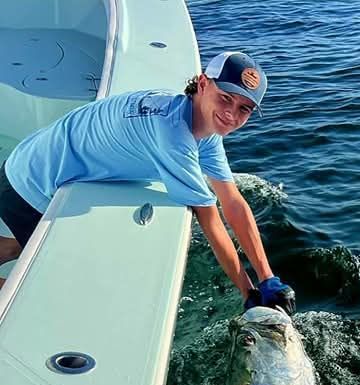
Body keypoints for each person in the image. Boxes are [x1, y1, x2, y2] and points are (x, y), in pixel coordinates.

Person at [0, 50, 295, 313]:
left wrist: (267, 277)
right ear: (203, 84)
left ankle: (8, 248)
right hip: (30, 183)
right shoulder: (172, 133)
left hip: (25, 163)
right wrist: (248, 292)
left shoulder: (201, 125)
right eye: (225, 98)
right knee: (46, 292)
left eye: (244, 109)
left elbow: (232, 201)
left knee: (27, 249)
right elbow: (209, 216)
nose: (231, 114)